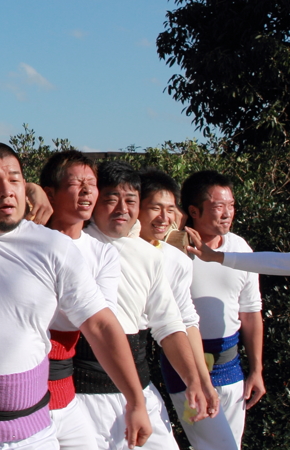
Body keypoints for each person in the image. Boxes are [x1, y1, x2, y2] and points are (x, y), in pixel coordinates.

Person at [0, 143, 150, 450]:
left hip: (36, 431)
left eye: (14, 180)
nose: (6, 191)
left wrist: (135, 401)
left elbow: (101, 325)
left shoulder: (54, 247)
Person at [76, 162, 209, 450]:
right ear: (94, 199)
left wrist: (193, 380)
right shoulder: (71, 247)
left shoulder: (150, 256)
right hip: (82, 398)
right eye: (112, 199)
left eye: (131, 200)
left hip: (141, 390)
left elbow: (169, 325)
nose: (122, 209)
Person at [138, 170, 233, 449]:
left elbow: (185, 320)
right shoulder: (111, 252)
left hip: (147, 372)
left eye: (170, 210)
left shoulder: (176, 261)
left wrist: (203, 382)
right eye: (155, 208)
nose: (164, 218)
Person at [38, 150, 120, 449]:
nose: (87, 191)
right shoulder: (24, 240)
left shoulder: (103, 253)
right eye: (76, 183)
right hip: (23, 393)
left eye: (92, 184)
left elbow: (99, 320)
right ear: (50, 193)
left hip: (65, 391)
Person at [177, 171, 263, 449]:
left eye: (231, 205)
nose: (227, 213)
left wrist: (257, 369)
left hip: (231, 367)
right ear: (194, 211)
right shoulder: (175, 251)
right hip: (187, 368)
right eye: (218, 206)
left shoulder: (240, 248)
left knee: (232, 445)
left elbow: (250, 312)